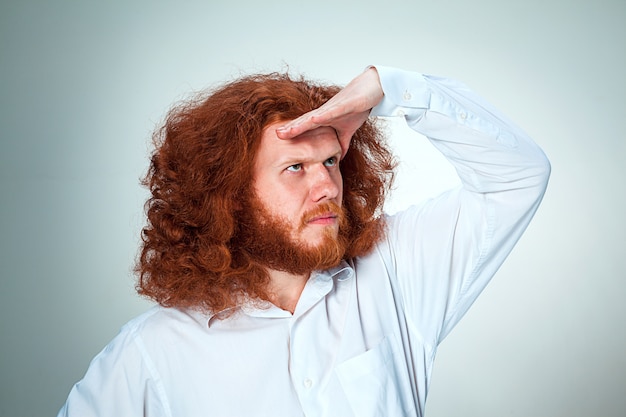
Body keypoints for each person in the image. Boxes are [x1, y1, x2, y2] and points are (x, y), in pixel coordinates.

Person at [57, 65, 550, 417]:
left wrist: (391, 88)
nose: (327, 187)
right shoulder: (154, 352)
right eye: (295, 167)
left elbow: (519, 176)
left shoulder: (395, 273)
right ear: (228, 196)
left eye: (330, 162)